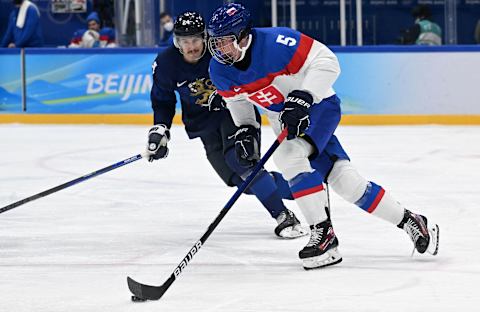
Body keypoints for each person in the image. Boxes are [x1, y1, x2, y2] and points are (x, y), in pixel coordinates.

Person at [207, 3, 440, 270]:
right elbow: (239, 104)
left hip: (318, 107)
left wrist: (304, 96)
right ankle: (411, 220)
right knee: (346, 182)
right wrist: (246, 130)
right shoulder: (219, 70)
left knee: (289, 156)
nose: (219, 50)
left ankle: (323, 235)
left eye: (225, 42)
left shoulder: (276, 43)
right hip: (285, 120)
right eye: (216, 43)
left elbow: (327, 61)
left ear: (243, 35)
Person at [144, 11, 308, 239]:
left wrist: (231, 94)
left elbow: (247, 72)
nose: (191, 47)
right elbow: (163, 99)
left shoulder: (221, 52)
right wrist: (160, 129)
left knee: (242, 162)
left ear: (204, 38)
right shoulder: (166, 63)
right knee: (237, 181)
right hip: (202, 125)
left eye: (195, 40)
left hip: (235, 115)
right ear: (177, 42)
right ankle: (306, 188)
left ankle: (283, 216)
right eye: (184, 42)